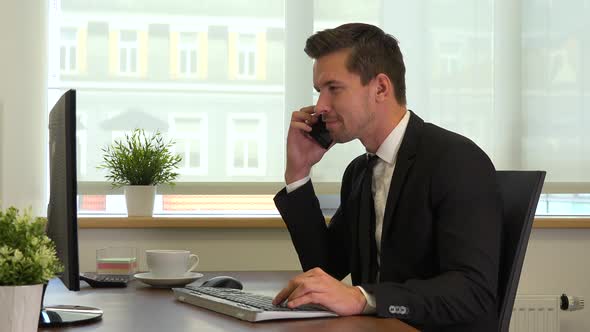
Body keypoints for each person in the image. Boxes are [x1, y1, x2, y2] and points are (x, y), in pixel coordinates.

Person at [272, 23, 502, 331]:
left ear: (381, 88)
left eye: (334, 89)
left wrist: (364, 297)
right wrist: (298, 174)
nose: (321, 106)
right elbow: (326, 267)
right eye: (319, 92)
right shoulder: (360, 171)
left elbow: (472, 291)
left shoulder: (455, 160)